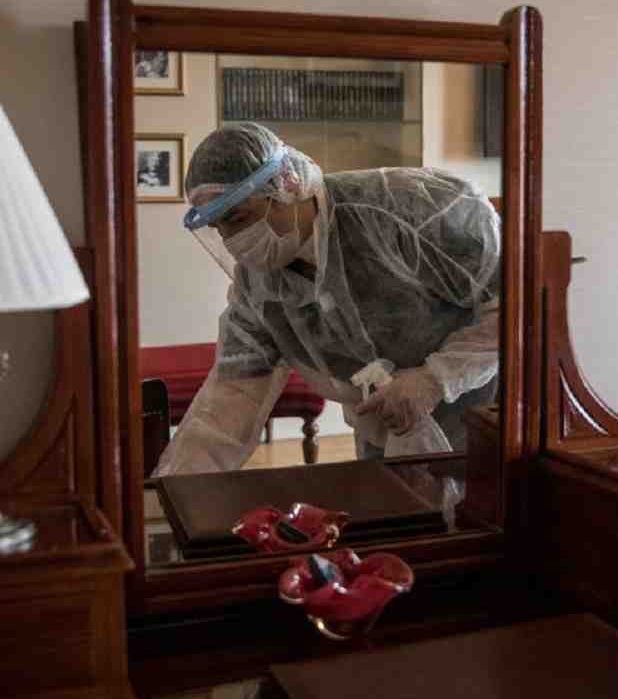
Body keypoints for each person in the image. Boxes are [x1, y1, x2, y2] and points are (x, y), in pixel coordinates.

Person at [152, 122, 500, 477]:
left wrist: (435, 379)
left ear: (287, 185)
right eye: (219, 228)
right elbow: (229, 401)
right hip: (387, 432)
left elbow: (514, 308)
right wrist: (174, 487)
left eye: (239, 218)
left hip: (488, 415)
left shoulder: (406, 210)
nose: (232, 240)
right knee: (399, 506)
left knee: (491, 504)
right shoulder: (258, 289)